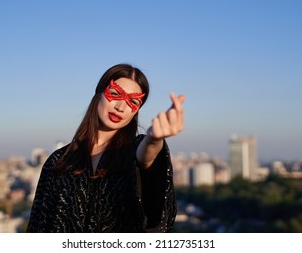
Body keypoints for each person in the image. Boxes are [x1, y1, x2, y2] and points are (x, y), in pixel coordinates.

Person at [26, 63, 185, 232]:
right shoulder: (58, 160)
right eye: (115, 94)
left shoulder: (134, 150)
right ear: (99, 93)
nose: (121, 107)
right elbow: (38, 226)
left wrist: (154, 139)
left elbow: (147, 157)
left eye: (133, 102)